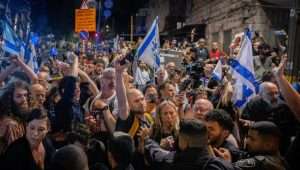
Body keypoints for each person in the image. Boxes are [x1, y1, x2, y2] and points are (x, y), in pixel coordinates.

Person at [144, 119, 234, 170]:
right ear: (207, 139)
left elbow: (155, 152)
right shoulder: (220, 166)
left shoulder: (168, 162)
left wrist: (147, 139)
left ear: (184, 142)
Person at [216, 121, 288, 170]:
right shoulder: (281, 161)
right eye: (247, 137)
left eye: (252, 139)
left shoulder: (260, 162)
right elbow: (242, 154)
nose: (247, 141)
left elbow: (228, 168)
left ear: (268, 145)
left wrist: (227, 162)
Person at [0, 80, 31, 155]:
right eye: (19, 96)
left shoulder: (20, 116)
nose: (24, 99)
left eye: (25, 95)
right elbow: (17, 154)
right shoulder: (11, 124)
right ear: (10, 99)